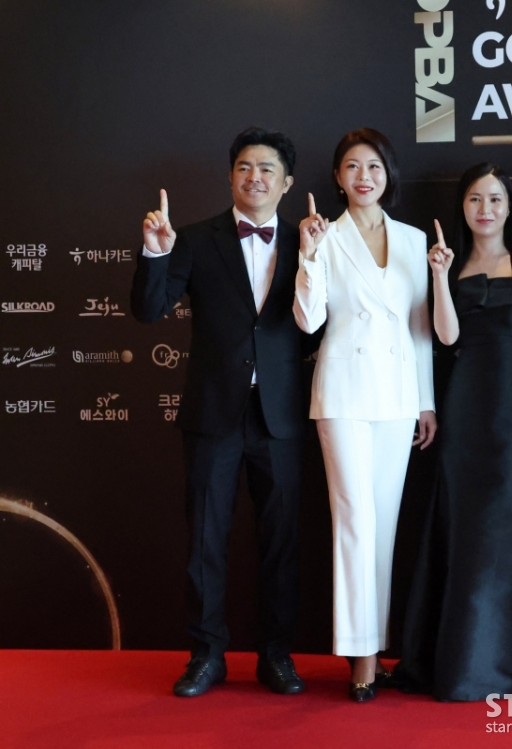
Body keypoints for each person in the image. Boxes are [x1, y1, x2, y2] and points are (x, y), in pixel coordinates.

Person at [131, 127, 311, 697]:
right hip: (213, 414)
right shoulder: (192, 239)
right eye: (244, 167)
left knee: (281, 542)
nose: (254, 177)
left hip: (281, 416)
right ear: (231, 176)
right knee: (206, 540)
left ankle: (276, 655)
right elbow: (148, 310)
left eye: (266, 168)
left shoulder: (310, 240)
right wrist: (156, 252)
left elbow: (323, 323)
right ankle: (206, 655)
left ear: (287, 182)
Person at [401, 163, 512, 700]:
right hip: (464, 407)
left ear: (508, 206)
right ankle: (465, 663)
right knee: (467, 523)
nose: (485, 209)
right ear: (462, 207)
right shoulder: (449, 266)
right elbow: (446, 338)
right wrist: (438, 276)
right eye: (476, 199)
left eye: (495, 199)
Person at [292, 128, 436, 703]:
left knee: (385, 523)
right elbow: (308, 320)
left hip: (397, 396)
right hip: (344, 393)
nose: (363, 177)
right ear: (337, 177)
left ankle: (374, 644)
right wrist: (307, 255)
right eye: (352, 166)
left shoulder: (413, 239)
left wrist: (425, 400)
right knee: (353, 519)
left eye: (373, 166)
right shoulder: (324, 236)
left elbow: (420, 327)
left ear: (387, 173)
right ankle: (361, 656)